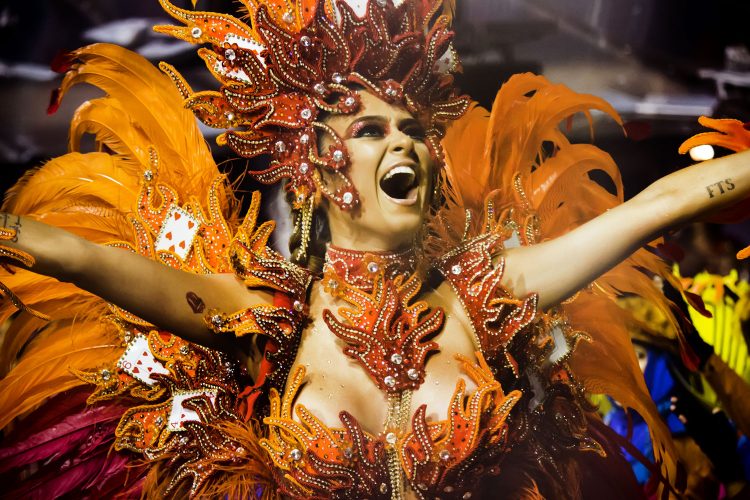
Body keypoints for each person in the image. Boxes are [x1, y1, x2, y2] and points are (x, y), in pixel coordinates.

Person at [0, 0, 748, 498]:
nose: (407, 145)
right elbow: (78, 257)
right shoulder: (269, 321)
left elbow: (664, 202)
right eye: (371, 131)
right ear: (317, 168)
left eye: (414, 130)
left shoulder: (486, 296)